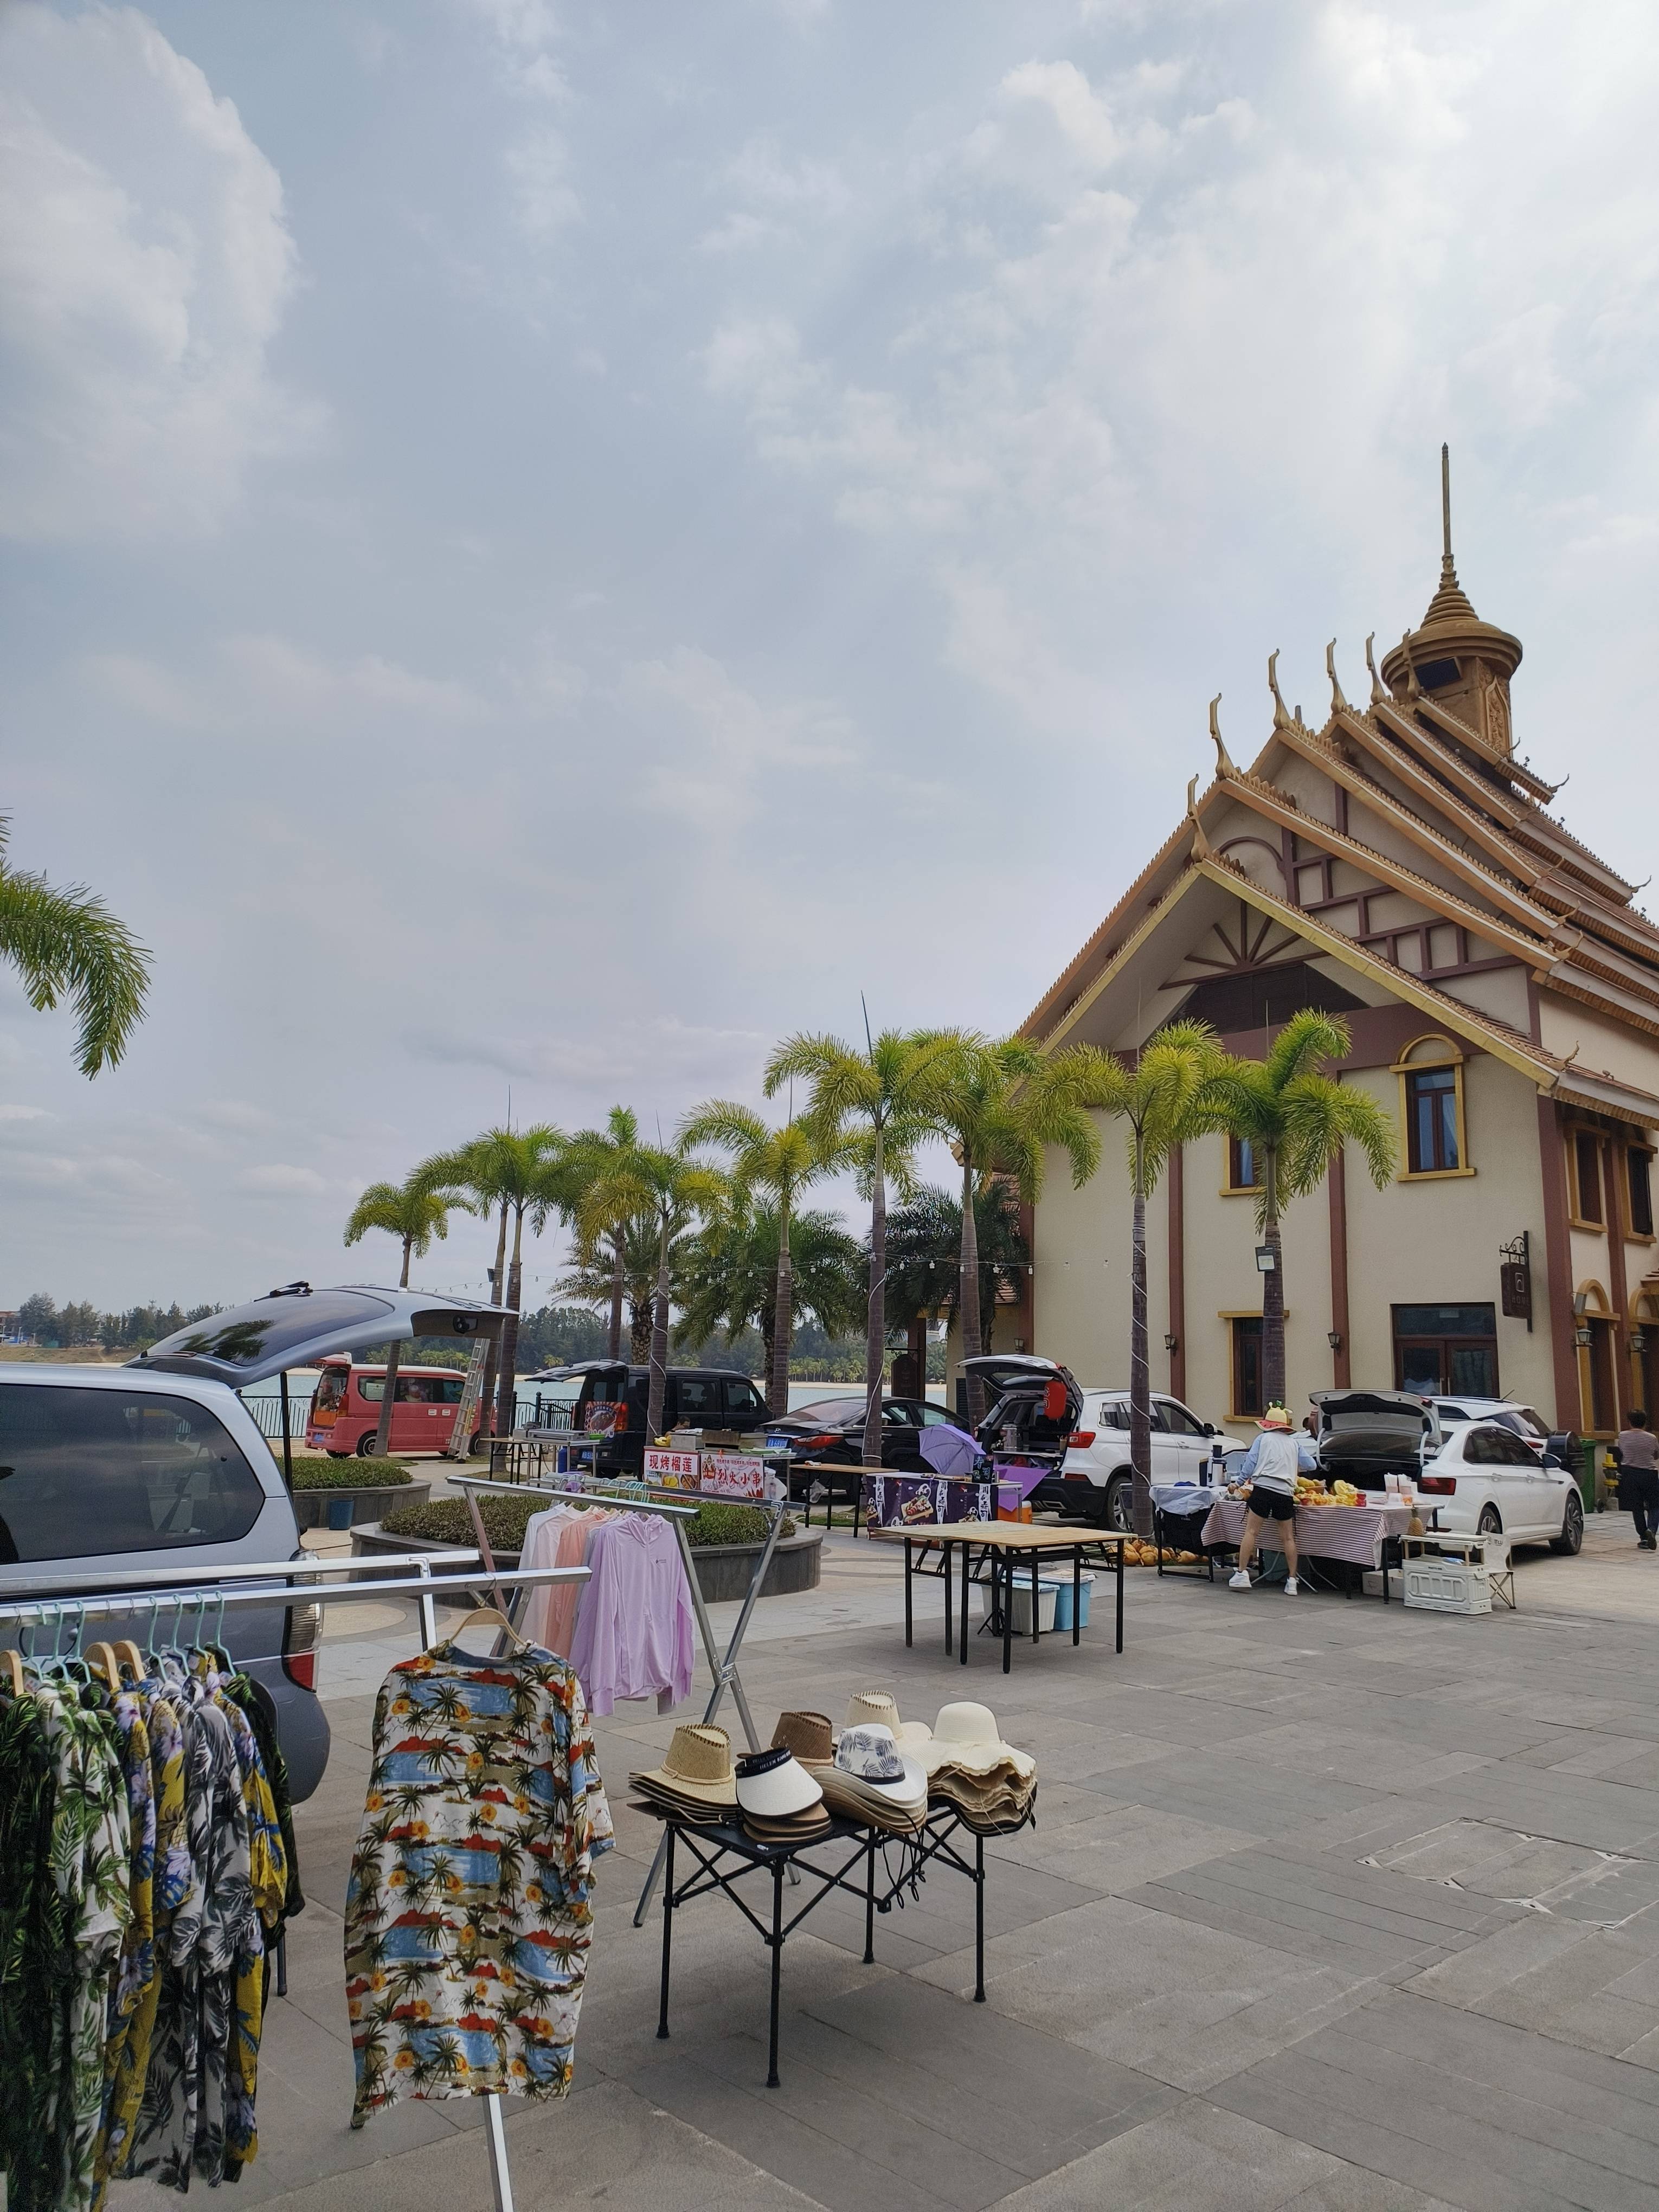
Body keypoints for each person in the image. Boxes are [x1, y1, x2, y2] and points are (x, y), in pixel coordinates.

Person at [1229, 1403, 1318, 1595]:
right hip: (1285, 1492)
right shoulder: (1294, 1443)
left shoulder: (1263, 1439)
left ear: (1267, 1425)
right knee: (1287, 1537)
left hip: (1263, 1489)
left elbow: (1250, 1463)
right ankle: (1292, 1581)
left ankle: (1242, 1574)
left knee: (1252, 1531)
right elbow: (1311, 1464)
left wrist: (1239, 1483)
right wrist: (1292, 1466)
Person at [1611, 1409, 1659, 1550]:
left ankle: (1644, 1537)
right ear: (1645, 1422)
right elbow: (1656, 1455)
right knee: (1655, 1505)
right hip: (1649, 1473)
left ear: (1630, 1422)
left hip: (1629, 1473)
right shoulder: (1651, 1438)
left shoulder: (1623, 1436)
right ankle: (1651, 1530)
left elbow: (1622, 1452)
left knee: (1636, 1507)